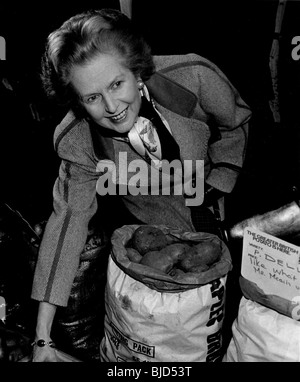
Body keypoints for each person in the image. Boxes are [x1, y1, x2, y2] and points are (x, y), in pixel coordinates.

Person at [31, 8, 251, 361]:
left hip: (224, 210)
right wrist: (42, 338)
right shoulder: (76, 140)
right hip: (155, 236)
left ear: (136, 69)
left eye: (117, 84)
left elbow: (236, 122)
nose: (112, 107)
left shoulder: (194, 75)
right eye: (91, 97)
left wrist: (222, 177)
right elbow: (65, 228)